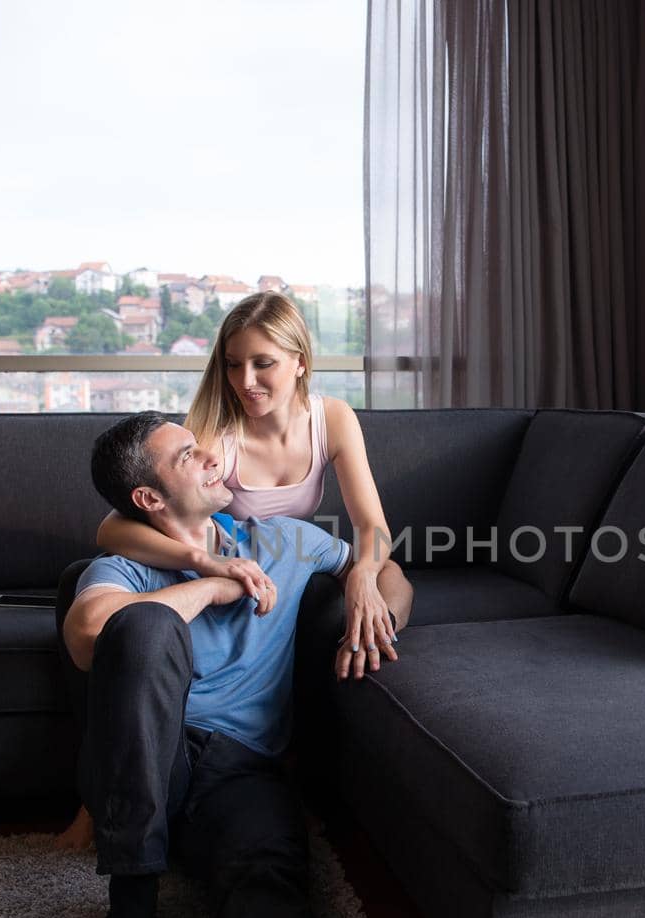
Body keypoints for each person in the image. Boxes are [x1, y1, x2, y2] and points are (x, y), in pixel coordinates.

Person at [62, 411, 413, 918]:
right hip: (148, 757)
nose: (210, 457)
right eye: (187, 456)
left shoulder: (282, 539)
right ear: (150, 499)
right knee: (140, 630)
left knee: (266, 870)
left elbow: (391, 571)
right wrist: (214, 583)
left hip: (239, 772)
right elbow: (88, 633)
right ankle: (132, 899)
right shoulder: (126, 566)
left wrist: (374, 602)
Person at [56, 290, 398, 850]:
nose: (246, 380)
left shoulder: (332, 418)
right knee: (82, 578)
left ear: (300, 362)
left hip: (289, 567)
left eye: (263, 363)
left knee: (329, 612)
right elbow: (111, 530)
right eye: (234, 364)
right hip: (223, 571)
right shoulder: (215, 430)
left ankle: (287, 775)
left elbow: (374, 529)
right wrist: (206, 563)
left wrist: (363, 575)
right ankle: (99, 791)